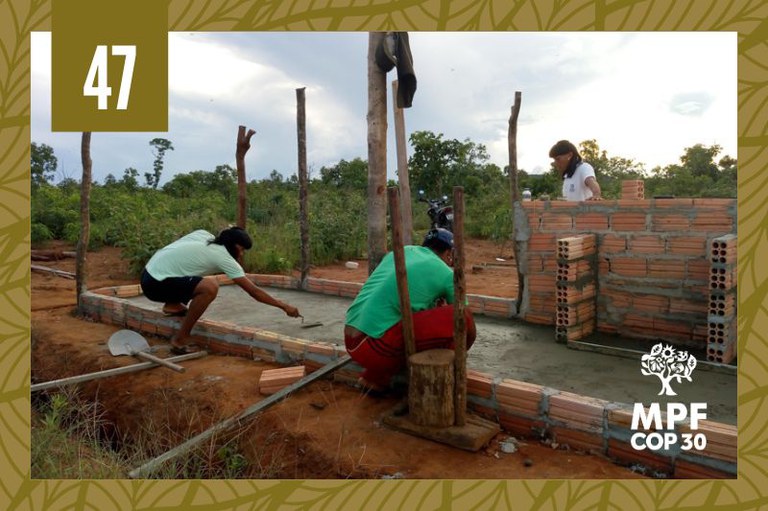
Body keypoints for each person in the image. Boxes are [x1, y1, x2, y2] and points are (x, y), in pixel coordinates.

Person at [343, 228, 476, 394]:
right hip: (375, 348)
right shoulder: (445, 272)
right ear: (449, 253)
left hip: (352, 340)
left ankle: (374, 378)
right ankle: (441, 382)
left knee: (406, 317)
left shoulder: (401, 253)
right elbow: (462, 313)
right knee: (462, 317)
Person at [140, 227, 300, 354]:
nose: (242, 254)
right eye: (242, 249)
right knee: (209, 287)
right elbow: (254, 292)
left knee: (189, 272)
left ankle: (172, 305)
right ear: (234, 246)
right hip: (156, 285)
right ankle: (180, 340)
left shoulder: (203, 235)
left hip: (149, 273)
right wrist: (284, 306)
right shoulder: (224, 257)